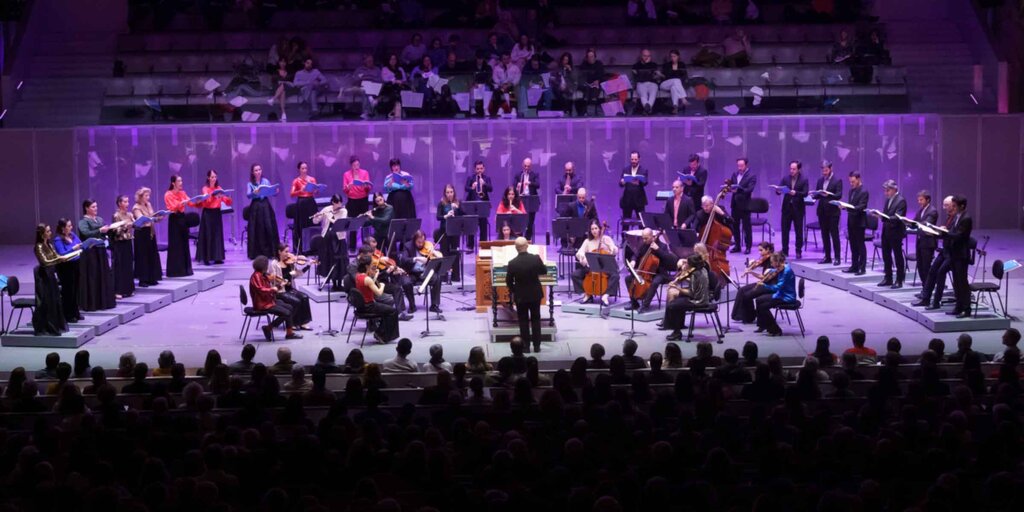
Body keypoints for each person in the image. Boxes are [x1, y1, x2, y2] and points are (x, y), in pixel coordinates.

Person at [913, 196, 956, 310]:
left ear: (953, 205)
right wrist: (940, 230)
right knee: (932, 271)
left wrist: (943, 231)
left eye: (946, 205)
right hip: (945, 250)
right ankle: (926, 299)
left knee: (940, 273)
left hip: (953, 253)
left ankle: (936, 302)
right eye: (944, 205)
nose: (944, 208)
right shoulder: (949, 217)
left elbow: (956, 234)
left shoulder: (957, 218)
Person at [506, 237, 548, 352]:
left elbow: (508, 282)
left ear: (516, 248)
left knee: (523, 321)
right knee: (536, 319)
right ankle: (537, 346)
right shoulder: (535, 259)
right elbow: (544, 271)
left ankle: (525, 346)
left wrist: (515, 290)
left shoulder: (512, 263)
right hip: (535, 294)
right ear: (527, 246)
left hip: (521, 295)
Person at [249, 256, 302, 341]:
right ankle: (268, 328)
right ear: (263, 266)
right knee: (287, 313)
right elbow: (260, 289)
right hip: (262, 304)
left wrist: (279, 285)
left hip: (269, 300)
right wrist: (273, 289)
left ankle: (289, 332)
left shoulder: (262, 275)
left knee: (290, 307)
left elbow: (270, 289)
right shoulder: (256, 276)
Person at [625, 228, 678, 312]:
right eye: (643, 238)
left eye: (646, 238)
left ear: (652, 237)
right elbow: (636, 254)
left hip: (660, 273)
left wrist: (658, 250)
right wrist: (633, 261)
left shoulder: (662, 246)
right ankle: (634, 302)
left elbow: (669, 260)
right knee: (628, 279)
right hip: (646, 272)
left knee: (655, 282)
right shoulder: (644, 244)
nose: (644, 240)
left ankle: (645, 305)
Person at [32, 224, 71, 336]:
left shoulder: (49, 244)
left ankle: (55, 325)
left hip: (51, 275)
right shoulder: (38, 246)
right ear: (41, 233)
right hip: (44, 277)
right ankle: (45, 326)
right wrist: (59, 259)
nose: (50, 233)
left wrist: (64, 257)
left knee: (55, 300)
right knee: (46, 301)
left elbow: (56, 256)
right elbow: (44, 262)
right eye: (48, 231)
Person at [78, 199, 116, 310]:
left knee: (103, 275)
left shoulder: (99, 219)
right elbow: (86, 234)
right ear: (86, 208)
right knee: (93, 276)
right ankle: (94, 303)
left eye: (96, 206)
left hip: (101, 250)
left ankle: (104, 301)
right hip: (91, 253)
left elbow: (105, 233)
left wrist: (110, 231)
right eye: (93, 207)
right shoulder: (83, 222)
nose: (96, 209)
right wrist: (100, 230)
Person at [663, 254, 711, 341]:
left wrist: (677, 288)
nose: (686, 265)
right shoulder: (703, 270)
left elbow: (691, 293)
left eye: (688, 263)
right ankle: (678, 326)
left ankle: (676, 332)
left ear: (692, 265)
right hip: (703, 297)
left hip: (698, 301)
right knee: (677, 302)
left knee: (672, 305)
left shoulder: (694, 275)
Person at [355, 255, 400, 344]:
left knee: (387, 310)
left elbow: (368, 286)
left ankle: (380, 332)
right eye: (371, 264)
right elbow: (379, 293)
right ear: (367, 266)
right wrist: (382, 285)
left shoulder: (358, 276)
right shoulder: (367, 279)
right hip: (370, 306)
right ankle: (381, 334)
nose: (373, 265)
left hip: (362, 305)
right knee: (393, 311)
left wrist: (375, 276)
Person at [571, 220, 619, 305]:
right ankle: (587, 293)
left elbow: (615, 252)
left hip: (605, 268)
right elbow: (579, 253)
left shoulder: (606, 239)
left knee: (615, 276)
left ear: (600, 229)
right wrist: (583, 258)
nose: (594, 231)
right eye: (592, 229)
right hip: (591, 268)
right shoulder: (588, 241)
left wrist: (609, 246)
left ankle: (606, 295)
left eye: (596, 228)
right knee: (575, 275)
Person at [269, 243, 313, 331]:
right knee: (296, 301)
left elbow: (295, 274)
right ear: (279, 252)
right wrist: (283, 281)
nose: (288, 254)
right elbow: (272, 279)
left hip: (290, 289)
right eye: (286, 251)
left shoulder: (290, 263)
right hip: (280, 291)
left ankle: (303, 322)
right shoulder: (274, 264)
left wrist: (307, 266)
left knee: (305, 297)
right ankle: (291, 323)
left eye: (289, 251)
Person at [731, 241, 776, 324]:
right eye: (759, 250)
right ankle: (740, 315)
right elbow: (759, 263)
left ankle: (749, 316)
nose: (760, 253)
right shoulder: (766, 258)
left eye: (761, 250)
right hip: (763, 283)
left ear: (768, 249)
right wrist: (752, 265)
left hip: (769, 285)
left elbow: (764, 277)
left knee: (746, 294)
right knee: (742, 290)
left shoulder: (772, 260)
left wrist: (750, 272)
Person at [944, 195, 974, 318]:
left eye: (955, 205)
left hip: (961, 255)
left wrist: (946, 233)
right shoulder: (957, 216)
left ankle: (966, 309)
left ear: (962, 206)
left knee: (962, 283)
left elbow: (959, 236)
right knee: (956, 282)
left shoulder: (966, 218)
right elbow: (953, 231)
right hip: (954, 253)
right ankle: (958, 306)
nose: (953, 207)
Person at [754, 252, 797, 336]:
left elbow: (777, 287)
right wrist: (770, 270)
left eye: (772, 262)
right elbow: (776, 270)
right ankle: (762, 325)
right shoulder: (781, 267)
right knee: (758, 300)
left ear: (777, 262)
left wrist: (764, 285)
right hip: (780, 295)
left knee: (763, 307)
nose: (771, 264)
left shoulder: (786, 271)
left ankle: (775, 330)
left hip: (786, 297)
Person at [400, 230, 444, 314]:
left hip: (424, 272)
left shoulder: (428, 246)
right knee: (406, 282)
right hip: (411, 273)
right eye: (418, 242)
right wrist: (416, 258)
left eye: (422, 242)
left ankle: (434, 305)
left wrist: (433, 251)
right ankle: (412, 305)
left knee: (437, 278)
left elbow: (439, 257)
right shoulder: (407, 246)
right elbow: (403, 260)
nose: (421, 244)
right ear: (414, 240)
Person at [312, 194, 348, 291]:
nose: (339, 204)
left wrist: (329, 217)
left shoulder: (343, 210)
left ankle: (339, 283)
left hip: (339, 238)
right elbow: (315, 222)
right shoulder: (326, 209)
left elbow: (338, 223)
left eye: (341, 202)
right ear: (333, 202)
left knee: (339, 260)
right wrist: (316, 216)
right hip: (327, 238)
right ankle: (332, 282)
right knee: (329, 259)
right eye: (337, 202)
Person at [243, 164, 280, 260]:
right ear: (253, 172)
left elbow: (271, 192)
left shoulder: (265, 181)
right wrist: (253, 193)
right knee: (257, 228)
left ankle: (271, 251)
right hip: (256, 206)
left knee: (269, 227)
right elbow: (248, 195)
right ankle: (257, 252)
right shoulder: (250, 183)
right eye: (256, 170)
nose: (258, 172)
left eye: (259, 169)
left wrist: (275, 191)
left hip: (266, 205)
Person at [196, 169, 232, 266]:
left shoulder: (219, 187)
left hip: (216, 213)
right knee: (208, 234)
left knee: (217, 235)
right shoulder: (205, 188)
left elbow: (227, 201)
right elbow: (206, 201)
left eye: (215, 177)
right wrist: (213, 195)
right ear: (208, 178)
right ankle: (206, 258)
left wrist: (227, 196)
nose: (214, 179)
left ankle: (217, 257)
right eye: (212, 177)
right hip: (208, 213)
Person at [164, 175, 197, 277]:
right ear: (173, 183)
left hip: (182, 219)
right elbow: (172, 207)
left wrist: (199, 200)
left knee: (184, 243)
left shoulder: (183, 193)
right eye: (179, 181)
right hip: (174, 219)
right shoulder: (168, 194)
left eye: (181, 180)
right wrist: (181, 203)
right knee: (176, 245)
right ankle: (175, 271)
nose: (181, 182)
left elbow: (190, 203)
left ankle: (185, 270)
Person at [876, 180, 907, 288]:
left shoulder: (901, 201)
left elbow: (898, 217)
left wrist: (883, 217)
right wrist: (880, 215)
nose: (886, 193)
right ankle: (888, 277)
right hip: (886, 231)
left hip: (896, 232)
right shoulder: (888, 200)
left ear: (894, 189)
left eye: (887, 190)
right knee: (886, 255)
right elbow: (885, 214)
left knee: (898, 256)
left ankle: (899, 280)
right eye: (885, 190)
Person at [52, 219, 83, 324]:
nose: (71, 228)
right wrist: (73, 248)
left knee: (76, 289)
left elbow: (80, 243)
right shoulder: (58, 240)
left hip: (75, 264)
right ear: (62, 228)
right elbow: (62, 254)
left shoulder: (72, 235)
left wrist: (77, 247)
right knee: (68, 291)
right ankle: (68, 314)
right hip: (65, 267)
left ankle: (76, 312)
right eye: (69, 226)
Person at [813, 160, 843, 266]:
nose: (824, 173)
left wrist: (828, 195)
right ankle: (827, 256)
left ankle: (837, 257)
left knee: (834, 235)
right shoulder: (820, 180)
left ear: (831, 169)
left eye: (826, 170)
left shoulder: (837, 180)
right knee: (824, 235)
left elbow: (839, 195)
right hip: (822, 211)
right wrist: (813, 195)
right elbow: (818, 194)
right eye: (823, 170)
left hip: (833, 212)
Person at [131, 187, 164, 287]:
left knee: (151, 254)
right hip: (141, 234)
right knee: (143, 256)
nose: (148, 198)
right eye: (146, 196)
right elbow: (142, 220)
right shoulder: (136, 207)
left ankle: (152, 277)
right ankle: (143, 279)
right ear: (140, 197)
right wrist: (152, 219)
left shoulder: (148, 204)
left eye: (148, 195)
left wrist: (159, 217)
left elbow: (152, 216)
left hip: (150, 232)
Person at [776, 160, 809, 259]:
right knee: (785, 230)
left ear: (799, 169)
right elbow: (780, 189)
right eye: (790, 168)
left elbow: (805, 193)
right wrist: (778, 191)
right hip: (787, 208)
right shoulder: (786, 178)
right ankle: (785, 250)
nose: (792, 171)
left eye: (794, 169)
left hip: (798, 208)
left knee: (799, 231)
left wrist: (796, 193)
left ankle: (798, 250)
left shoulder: (804, 179)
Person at [841, 171, 869, 275]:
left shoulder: (864, 191)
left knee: (860, 245)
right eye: (850, 182)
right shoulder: (851, 191)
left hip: (859, 222)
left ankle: (862, 268)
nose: (851, 184)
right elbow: (851, 205)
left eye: (853, 181)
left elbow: (862, 206)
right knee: (853, 245)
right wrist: (844, 207)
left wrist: (848, 207)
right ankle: (854, 266)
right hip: (851, 221)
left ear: (858, 179)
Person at [341, 156, 373, 248]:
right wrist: (348, 187)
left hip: (363, 200)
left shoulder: (365, 172)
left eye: (358, 164)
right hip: (352, 201)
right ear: (351, 165)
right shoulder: (346, 174)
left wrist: (366, 186)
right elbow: (345, 189)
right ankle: (352, 246)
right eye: (354, 165)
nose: (356, 166)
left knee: (364, 222)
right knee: (352, 223)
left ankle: (366, 245)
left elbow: (369, 188)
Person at [289, 161, 319, 253]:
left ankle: (313, 246)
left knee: (312, 223)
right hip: (301, 203)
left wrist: (316, 190)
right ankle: (302, 248)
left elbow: (315, 191)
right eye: (302, 168)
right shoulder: (296, 181)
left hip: (311, 202)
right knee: (302, 225)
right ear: (299, 169)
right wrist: (300, 191)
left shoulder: (312, 179)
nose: (305, 170)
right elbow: (292, 194)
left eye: (306, 168)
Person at [728, 157, 757, 254]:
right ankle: (737, 245)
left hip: (745, 205)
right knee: (735, 226)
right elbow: (731, 186)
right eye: (738, 166)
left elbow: (750, 189)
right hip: (735, 204)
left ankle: (748, 246)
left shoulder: (751, 176)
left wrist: (739, 189)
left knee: (746, 227)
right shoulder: (734, 174)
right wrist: (729, 188)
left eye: (741, 166)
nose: (739, 168)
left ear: (746, 165)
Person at [435, 184, 463, 281]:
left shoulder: (458, 202)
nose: (450, 194)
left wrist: (458, 209)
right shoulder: (441, 203)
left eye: (451, 192)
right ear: (445, 193)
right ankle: (443, 276)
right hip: (444, 231)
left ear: (454, 192)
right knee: (445, 253)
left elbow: (464, 214)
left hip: (455, 231)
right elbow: (438, 217)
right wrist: (445, 216)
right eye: (447, 192)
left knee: (455, 253)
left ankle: (456, 276)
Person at [110, 195, 136, 298]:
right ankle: (118, 290)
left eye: (127, 201)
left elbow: (134, 225)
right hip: (119, 243)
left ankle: (128, 289)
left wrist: (135, 224)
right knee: (120, 266)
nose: (127, 204)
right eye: (125, 202)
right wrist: (126, 226)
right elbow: (116, 231)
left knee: (128, 265)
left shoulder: (129, 214)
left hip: (128, 241)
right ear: (120, 203)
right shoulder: (116, 215)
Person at [911, 189, 939, 284]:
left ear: (928, 200)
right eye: (918, 200)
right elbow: (915, 221)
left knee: (926, 267)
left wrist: (915, 224)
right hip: (920, 241)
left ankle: (927, 289)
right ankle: (924, 287)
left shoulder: (933, 211)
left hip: (928, 243)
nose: (919, 202)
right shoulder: (920, 210)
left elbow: (927, 223)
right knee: (920, 266)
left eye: (921, 200)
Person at [464, 160, 493, 247]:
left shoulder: (487, 178)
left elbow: (491, 189)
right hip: (472, 204)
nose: (479, 170)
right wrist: (472, 187)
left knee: (483, 225)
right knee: (471, 225)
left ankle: (483, 244)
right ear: (474, 169)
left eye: (481, 168)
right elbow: (466, 188)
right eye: (477, 169)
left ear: (484, 169)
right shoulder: (471, 178)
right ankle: (470, 245)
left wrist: (484, 184)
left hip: (483, 204)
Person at [619, 151, 649, 223]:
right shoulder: (625, 169)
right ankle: (625, 235)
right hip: (627, 200)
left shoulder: (643, 170)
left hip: (639, 200)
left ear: (639, 159)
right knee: (625, 224)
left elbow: (645, 182)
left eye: (635, 159)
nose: (634, 161)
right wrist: (622, 182)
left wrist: (639, 182)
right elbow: (620, 184)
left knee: (641, 223)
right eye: (632, 159)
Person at [513, 157, 540, 240]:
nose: (526, 168)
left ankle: (528, 240)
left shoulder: (534, 174)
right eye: (525, 166)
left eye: (528, 166)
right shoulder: (518, 175)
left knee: (530, 221)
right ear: (522, 165)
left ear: (531, 166)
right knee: (519, 220)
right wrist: (517, 187)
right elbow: (513, 187)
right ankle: (520, 239)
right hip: (521, 199)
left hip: (531, 200)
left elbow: (538, 185)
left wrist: (530, 183)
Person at [489, 51, 521, 116]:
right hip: (501, 86)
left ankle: (513, 108)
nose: (506, 60)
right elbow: (495, 78)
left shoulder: (515, 68)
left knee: (511, 91)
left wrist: (511, 83)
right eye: (504, 59)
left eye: (507, 58)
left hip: (511, 85)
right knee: (497, 91)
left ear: (510, 58)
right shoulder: (497, 68)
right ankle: (501, 108)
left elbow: (518, 77)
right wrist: (501, 84)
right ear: (501, 59)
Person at [660, 49, 689, 114]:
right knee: (676, 80)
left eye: (674, 56)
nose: (673, 58)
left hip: (676, 86)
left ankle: (675, 107)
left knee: (674, 87)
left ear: (678, 57)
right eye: (671, 56)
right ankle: (683, 98)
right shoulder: (667, 65)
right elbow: (666, 76)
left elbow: (684, 76)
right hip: (665, 84)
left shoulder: (682, 65)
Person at [578, 48, 606, 115]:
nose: (590, 58)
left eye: (592, 56)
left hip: (596, 83)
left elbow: (602, 75)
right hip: (586, 84)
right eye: (589, 57)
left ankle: (591, 109)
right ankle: (586, 111)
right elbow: (581, 76)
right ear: (586, 58)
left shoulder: (599, 64)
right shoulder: (583, 65)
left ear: (595, 57)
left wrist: (598, 80)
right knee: (586, 89)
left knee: (595, 89)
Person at [632, 48, 659, 115]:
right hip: (641, 83)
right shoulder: (636, 65)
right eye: (645, 56)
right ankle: (648, 109)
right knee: (643, 94)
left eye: (648, 56)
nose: (646, 57)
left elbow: (655, 77)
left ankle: (647, 108)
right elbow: (637, 77)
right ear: (641, 56)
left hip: (652, 83)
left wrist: (647, 65)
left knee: (653, 94)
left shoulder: (654, 65)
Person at [380, 53, 408, 119]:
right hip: (389, 87)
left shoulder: (400, 69)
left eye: (394, 59)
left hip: (400, 86)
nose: (393, 60)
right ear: (388, 60)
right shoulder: (385, 69)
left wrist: (400, 82)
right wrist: (394, 81)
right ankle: (394, 110)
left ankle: (397, 110)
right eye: (391, 59)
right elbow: (384, 79)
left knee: (399, 91)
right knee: (395, 92)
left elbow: (404, 79)